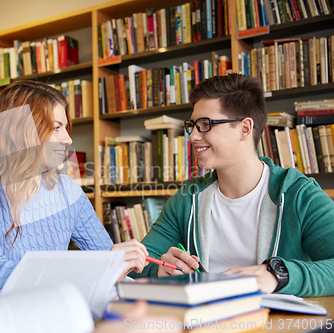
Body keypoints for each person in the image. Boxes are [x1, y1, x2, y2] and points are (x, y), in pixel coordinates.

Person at [130, 74, 334, 297]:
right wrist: (160, 270)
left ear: (245, 128)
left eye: (205, 124)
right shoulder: (187, 198)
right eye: (192, 125)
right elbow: (141, 262)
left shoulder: (299, 194)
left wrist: (277, 275)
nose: (193, 136)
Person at [0, 80, 148, 294]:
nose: (68, 139)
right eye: (56, 128)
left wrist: (137, 274)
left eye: (65, 128)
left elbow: (108, 265)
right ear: (20, 133)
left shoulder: (68, 191)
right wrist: (90, 270)